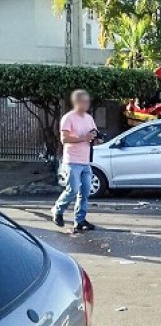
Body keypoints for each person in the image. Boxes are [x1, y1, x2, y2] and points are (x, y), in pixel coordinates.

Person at [51, 90, 99, 231]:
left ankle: (80, 220)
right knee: (73, 190)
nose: (86, 104)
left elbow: (93, 134)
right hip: (72, 160)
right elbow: (64, 139)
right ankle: (57, 210)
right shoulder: (68, 118)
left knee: (84, 192)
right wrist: (84, 138)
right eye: (83, 101)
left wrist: (97, 138)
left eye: (87, 101)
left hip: (85, 161)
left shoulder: (89, 118)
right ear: (76, 102)